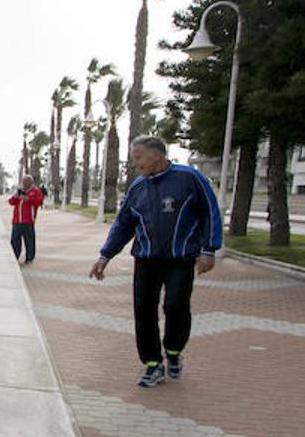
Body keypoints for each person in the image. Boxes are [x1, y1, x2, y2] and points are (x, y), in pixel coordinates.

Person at [88, 136, 222, 387]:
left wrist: (209, 250)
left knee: (175, 306)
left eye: (138, 157)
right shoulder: (137, 188)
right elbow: (123, 225)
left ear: (156, 155)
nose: (134, 163)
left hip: (180, 259)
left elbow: (210, 212)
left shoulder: (189, 178)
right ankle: (152, 363)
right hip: (146, 260)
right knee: (144, 310)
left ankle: (173, 350)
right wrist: (105, 256)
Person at [7, 175, 46, 264]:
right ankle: (15, 256)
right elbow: (11, 202)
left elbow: (39, 202)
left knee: (29, 240)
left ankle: (29, 258)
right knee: (15, 240)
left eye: (25, 182)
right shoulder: (20, 191)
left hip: (28, 221)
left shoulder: (36, 191)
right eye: (23, 182)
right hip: (17, 221)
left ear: (30, 182)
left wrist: (28, 199)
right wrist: (16, 196)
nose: (23, 184)